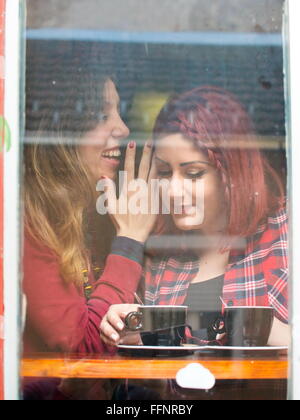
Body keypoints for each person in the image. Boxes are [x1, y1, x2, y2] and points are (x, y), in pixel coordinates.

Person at [100, 86, 289, 349]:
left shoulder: (285, 234)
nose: (173, 191)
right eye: (165, 172)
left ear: (231, 172)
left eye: (194, 174)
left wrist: (262, 330)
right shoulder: (162, 254)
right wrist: (123, 326)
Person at [23, 70, 156, 355]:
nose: (122, 129)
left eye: (119, 113)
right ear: (62, 133)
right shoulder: (31, 223)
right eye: (101, 116)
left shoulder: (101, 212)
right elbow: (81, 350)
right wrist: (130, 240)